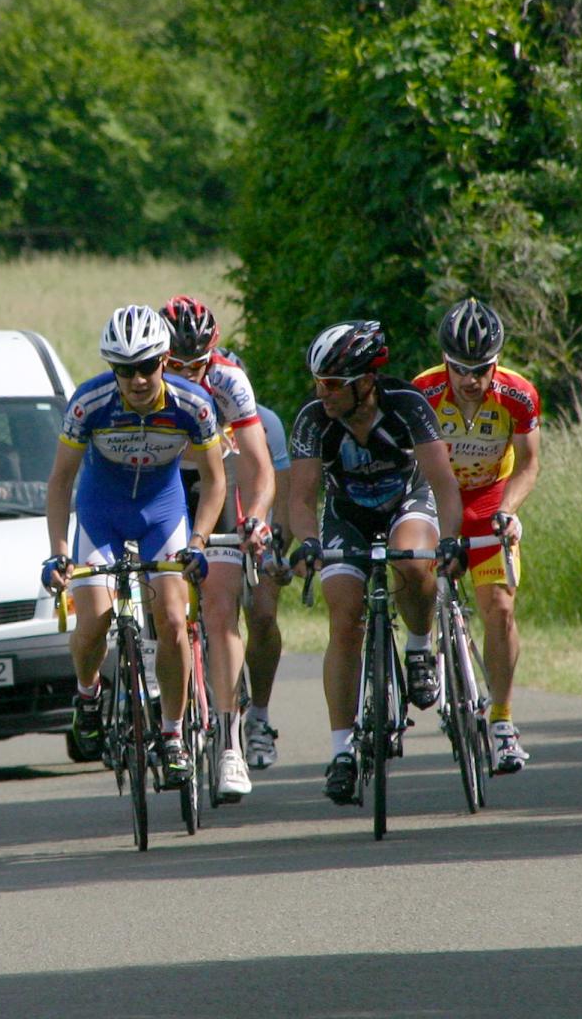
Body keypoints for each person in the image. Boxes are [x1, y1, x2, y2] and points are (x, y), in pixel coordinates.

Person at [42, 304, 226, 788]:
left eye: (146, 366)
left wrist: (200, 541)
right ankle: (87, 695)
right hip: (101, 512)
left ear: (165, 359)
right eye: (124, 369)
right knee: (95, 616)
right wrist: (60, 551)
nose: (137, 379)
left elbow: (214, 481)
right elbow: (60, 482)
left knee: (170, 618)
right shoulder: (89, 403)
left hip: (161, 513)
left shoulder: (193, 406)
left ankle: (170, 735)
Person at [288, 319, 465, 804]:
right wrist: (306, 542)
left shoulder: (408, 406)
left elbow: (444, 483)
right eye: (317, 382)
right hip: (348, 514)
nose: (321, 393)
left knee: (413, 563)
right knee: (344, 619)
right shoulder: (313, 418)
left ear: (366, 381)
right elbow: (302, 498)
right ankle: (342, 751)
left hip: (407, 501)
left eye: (332, 384)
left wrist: (449, 540)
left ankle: (418, 645)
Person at [412, 297, 541, 773]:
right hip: (432, 498)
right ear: (445, 361)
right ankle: (420, 646)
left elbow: (528, 464)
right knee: (413, 572)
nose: (471, 380)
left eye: (482, 368)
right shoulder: (422, 393)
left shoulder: (519, 395)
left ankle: (503, 722)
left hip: (488, 499)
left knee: (500, 606)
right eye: (460, 369)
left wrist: (507, 512)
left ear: (497, 362)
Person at [158, 295, 275, 800]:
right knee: (163, 604)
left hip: (215, 482)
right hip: (161, 484)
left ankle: (229, 744)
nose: (185, 374)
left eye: (195, 364)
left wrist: (256, 520)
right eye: (174, 365)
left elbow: (258, 465)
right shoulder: (141, 377)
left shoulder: (229, 380)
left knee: (222, 606)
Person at [241, 402, 293, 770]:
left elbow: (286, 499)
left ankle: (258, 717)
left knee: (261, 616)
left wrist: (281, 550)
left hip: (257, 529)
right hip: (203, 526)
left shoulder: (266, 421)